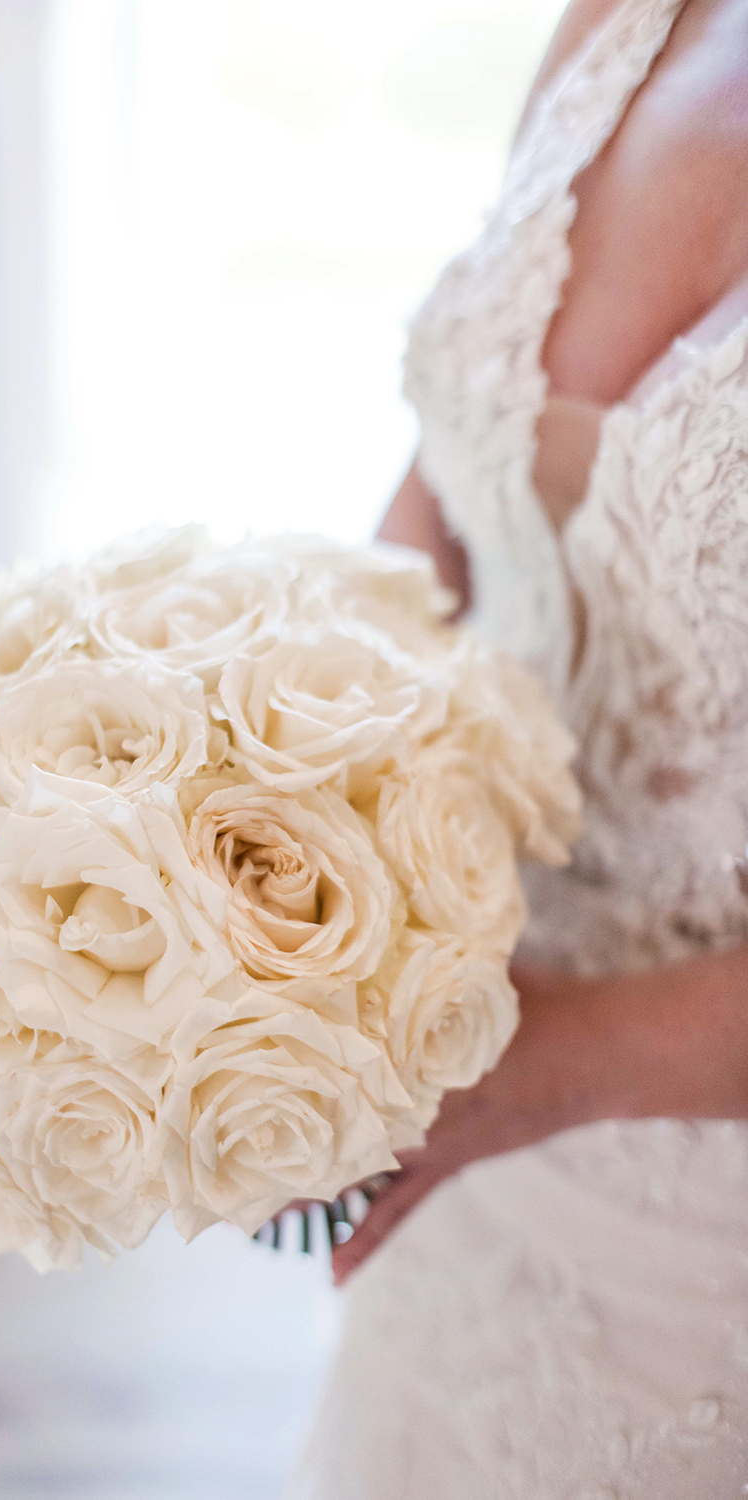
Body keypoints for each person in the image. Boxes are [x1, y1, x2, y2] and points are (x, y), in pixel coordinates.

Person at [287, 0, 748, 1494]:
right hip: (469, 1125)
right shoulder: (638, 17)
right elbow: (463, 484)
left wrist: (540, 1069)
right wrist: (272, 772)